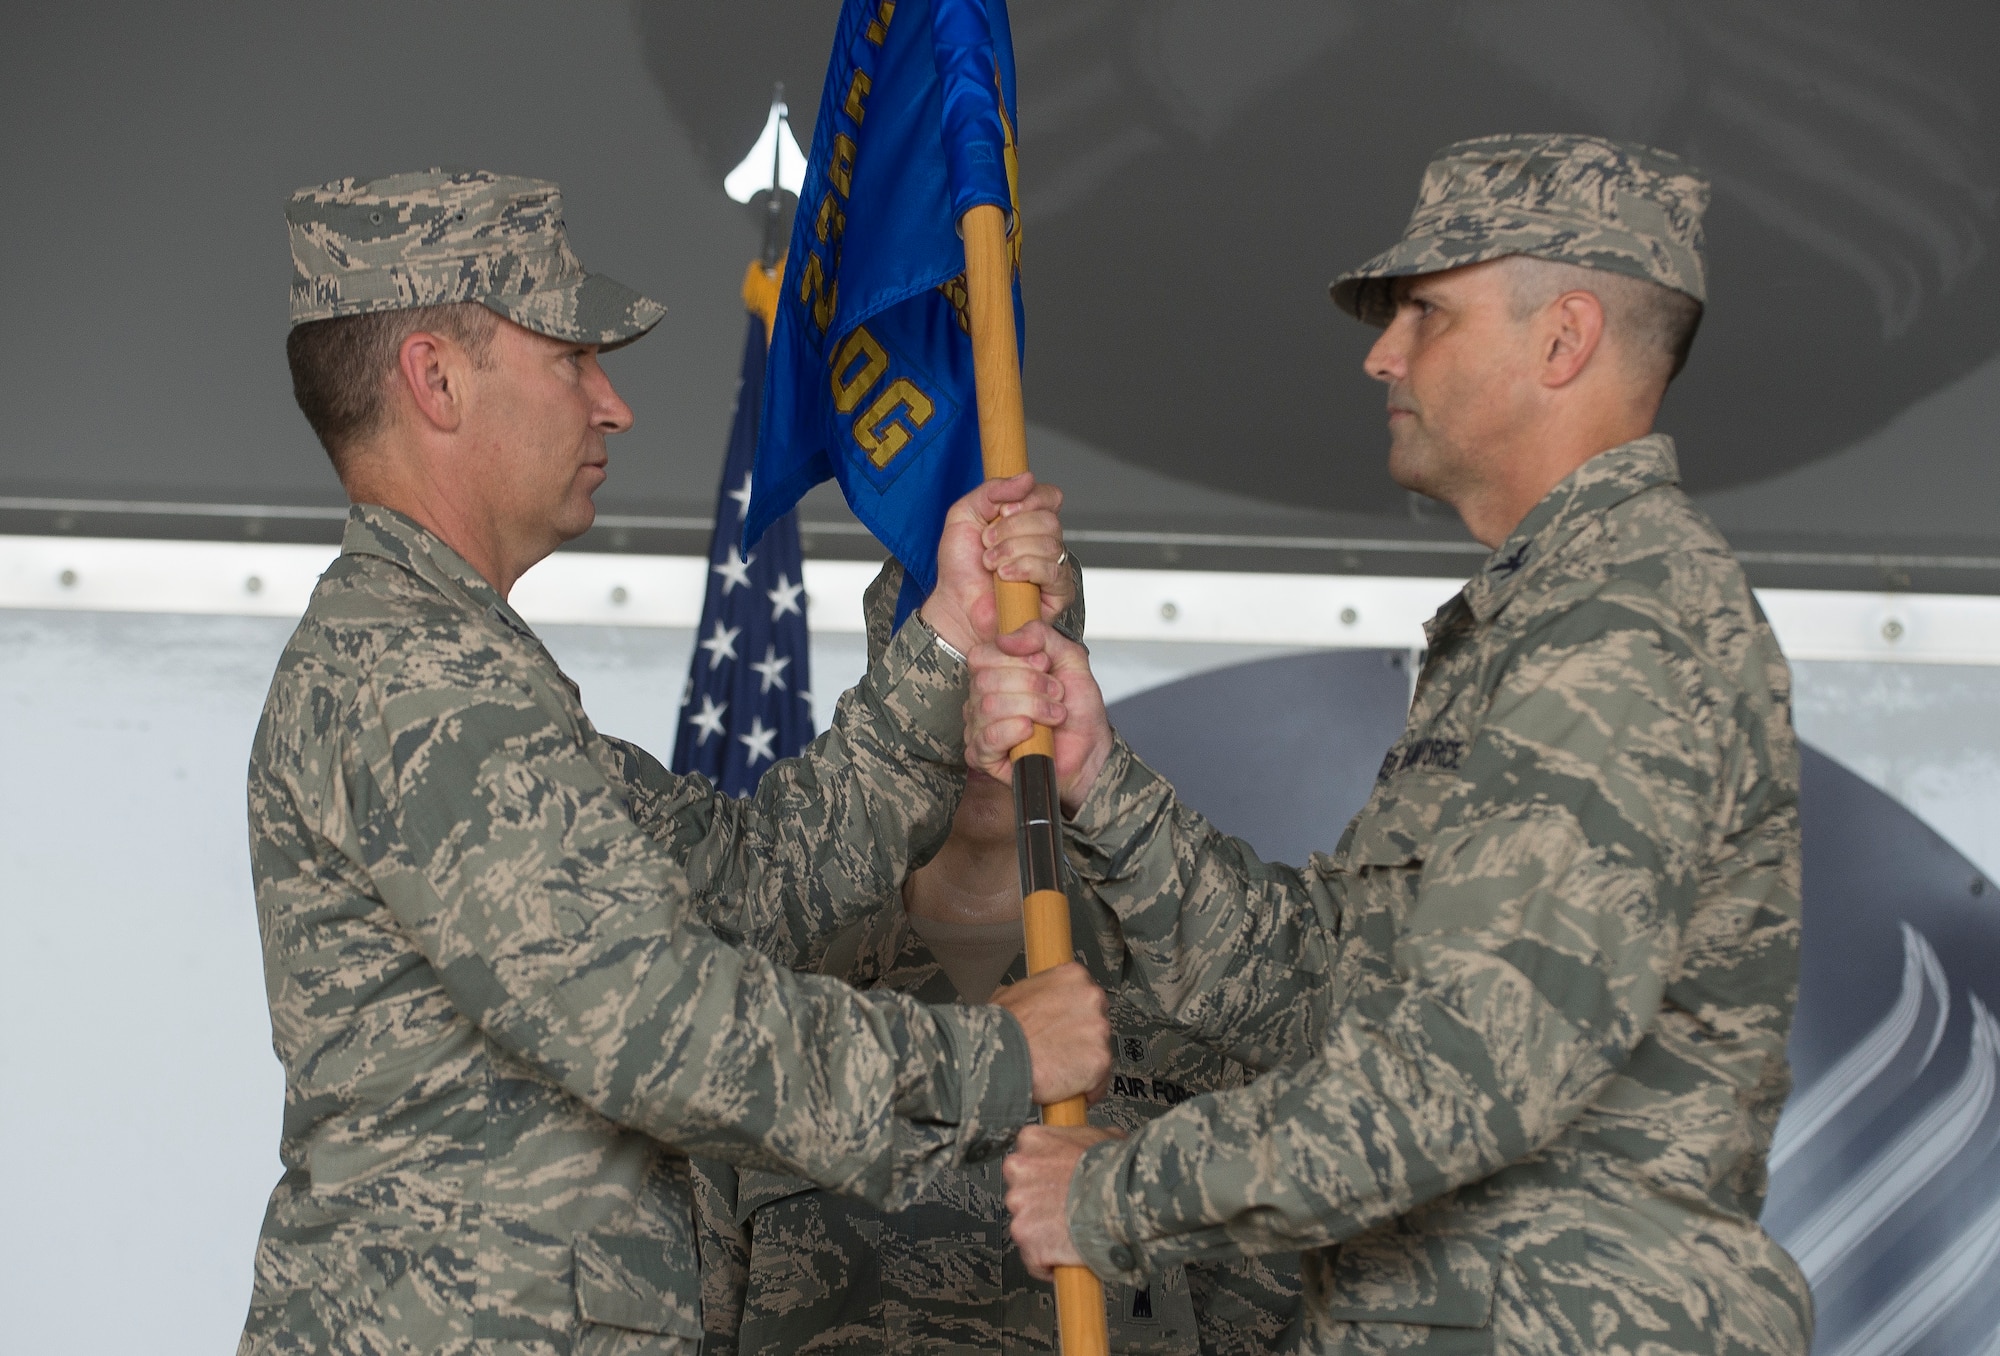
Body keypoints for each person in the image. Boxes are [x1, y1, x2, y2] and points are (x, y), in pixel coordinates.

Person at [242, 168, 1111, 1355]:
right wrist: (995, 1059)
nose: (612, 405)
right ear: (435, 380)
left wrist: (947, 638)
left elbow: (751, 887)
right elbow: (650, 1024)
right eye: (568, 358)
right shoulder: (416, 682)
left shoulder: (464, 669)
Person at [969, 135, 1812, 1353]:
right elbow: (1328, 992)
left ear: (1562, 338)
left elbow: (1474, 1069)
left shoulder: (1624, 622)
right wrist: (1100, 782)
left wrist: (1117, 1194)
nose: (1381, 354)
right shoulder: (1544, 616)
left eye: (1426, 313)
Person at [691, 562, 1302, 1356]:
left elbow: (1277, 1308)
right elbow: (697, 1308)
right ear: (893, 701)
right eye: (953, 677)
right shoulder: (774, 983)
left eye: (1022, 673)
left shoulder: (1200, 979)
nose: (988, 715)